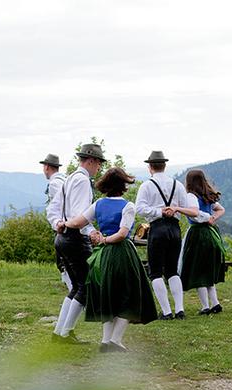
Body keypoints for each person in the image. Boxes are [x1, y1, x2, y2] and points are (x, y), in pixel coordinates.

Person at [59, 167, 157, 353]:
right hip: (123, 255)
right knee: (129, 296)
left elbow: (79, 222)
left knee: (109, 295)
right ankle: (115, 340)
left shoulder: (98, 204)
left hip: (103, 256)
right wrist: (105, 239)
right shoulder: (128, 206)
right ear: (123, 185)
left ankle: (105, 340)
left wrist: (64, 223)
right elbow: (122, 234)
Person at [49, 143, 105, 343]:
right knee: (85, 287)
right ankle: (65, 333)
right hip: (75, 239)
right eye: (98, 163)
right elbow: (80, 215)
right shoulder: (82, 181)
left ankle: (59, 331)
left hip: (62, 237)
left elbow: (53, 209)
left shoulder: (69, 178)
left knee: (75, 287)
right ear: (91, 161)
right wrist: (91, 232)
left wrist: (57, 223)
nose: (98, 168)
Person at [135, 151, 198, 320]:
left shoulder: (146, 186)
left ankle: (167, 311)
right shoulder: (177, 185)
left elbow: (139, 209)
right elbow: (186, 208)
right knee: (172, 270)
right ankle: (180, 310)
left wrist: (159, 211)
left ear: (150, 167)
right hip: (175, 229)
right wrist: (171, 209)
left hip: (157, 228)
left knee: (155, 271)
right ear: (164, 165)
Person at [175, 170, 227, 315]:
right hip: (211, 233)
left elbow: (195, 213)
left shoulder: (191, 196)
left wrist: (179, 209)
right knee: (207, 270)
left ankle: (205, 306)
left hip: (197, 233)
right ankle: (215, 303)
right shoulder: (208, 195)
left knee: (198, 271)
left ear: (189, 182)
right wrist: (213, 218)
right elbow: (221, 209)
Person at [41, 153, 71, 292]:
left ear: (47, 167)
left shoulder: (54, 184)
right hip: (68, 224)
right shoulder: (64, 179)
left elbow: (59, 205)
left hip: (62, 226)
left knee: (63, 261)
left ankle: (71, 289)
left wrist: (57, 223)